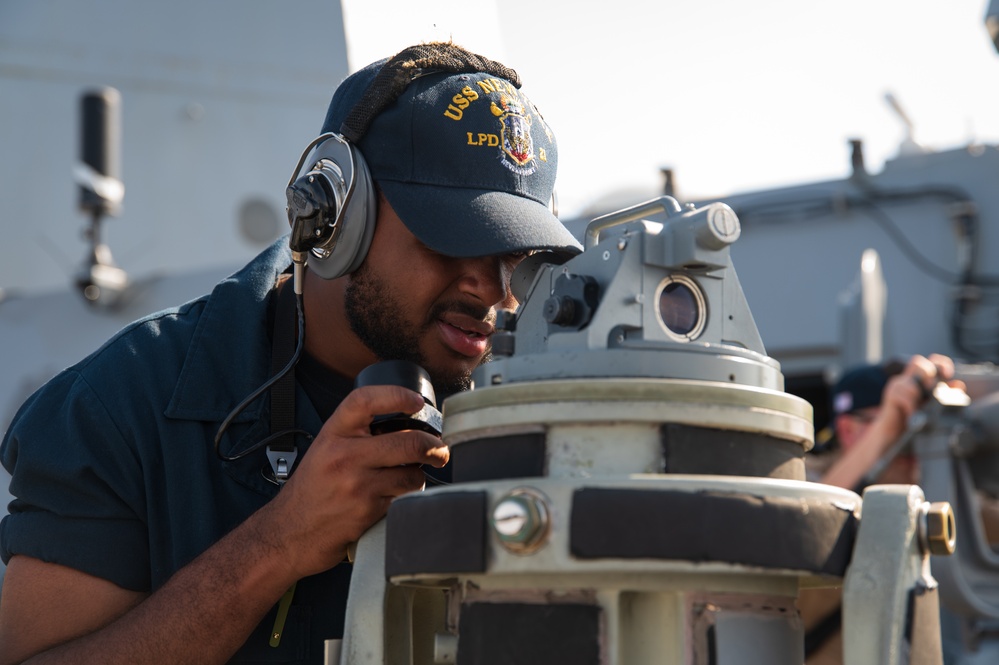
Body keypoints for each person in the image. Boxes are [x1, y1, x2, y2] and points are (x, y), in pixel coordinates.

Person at [0, 42, 581, 664]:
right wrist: (279, 543)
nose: (490, 289)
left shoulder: (546, 411)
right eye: (452, 239)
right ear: (336, 214)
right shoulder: (120, 408)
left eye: (514, 255)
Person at [801, 353, 964, 665]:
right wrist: (889, 426)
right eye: (902, 422)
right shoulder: (805, 475)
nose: (909, 438)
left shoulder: (927, 483)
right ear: (848, 431)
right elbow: (807, 516)